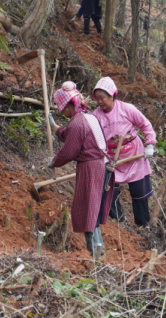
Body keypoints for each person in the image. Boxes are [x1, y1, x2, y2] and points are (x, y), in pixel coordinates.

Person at [48, 81, 113, 257]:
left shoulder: (78, 123)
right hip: (102, 165)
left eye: (62, 108)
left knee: (89, 212)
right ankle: (98, 253)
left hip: (92, 169)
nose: (61, 112)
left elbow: (69, 151)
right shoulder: (88, 116)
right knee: (92, 213)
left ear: (69, 105)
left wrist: (53, 162)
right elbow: (71, 135)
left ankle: (95, 255)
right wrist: (56, 129)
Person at [91, 77, 157, 227]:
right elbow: (92, 137)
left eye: (103, 98)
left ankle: (143, 225)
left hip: (134, 156)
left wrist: (150, 144)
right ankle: (117, 223)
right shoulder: (96, 116)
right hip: (113, 159)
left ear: (112, 95)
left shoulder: (127, 109)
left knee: (139, 193)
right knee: (109, 188)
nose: (100, 102)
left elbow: (145, 125)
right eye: (97, 98)